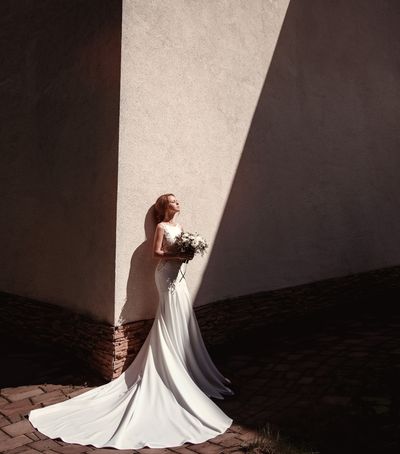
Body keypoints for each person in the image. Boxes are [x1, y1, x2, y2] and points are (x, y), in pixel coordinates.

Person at [28, 193, 234, 449]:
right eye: (173, 200)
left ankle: (186, 366)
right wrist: (177, 255)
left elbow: (178, 249)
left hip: (179, 277)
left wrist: (187, 251)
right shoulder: (160, 227)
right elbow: (157, 253)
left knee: (181, 315)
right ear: (164, 207)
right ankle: (169, 368)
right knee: (168, 315)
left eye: (177, 200)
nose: (177, 203)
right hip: (166, 276)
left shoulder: (179, 227)